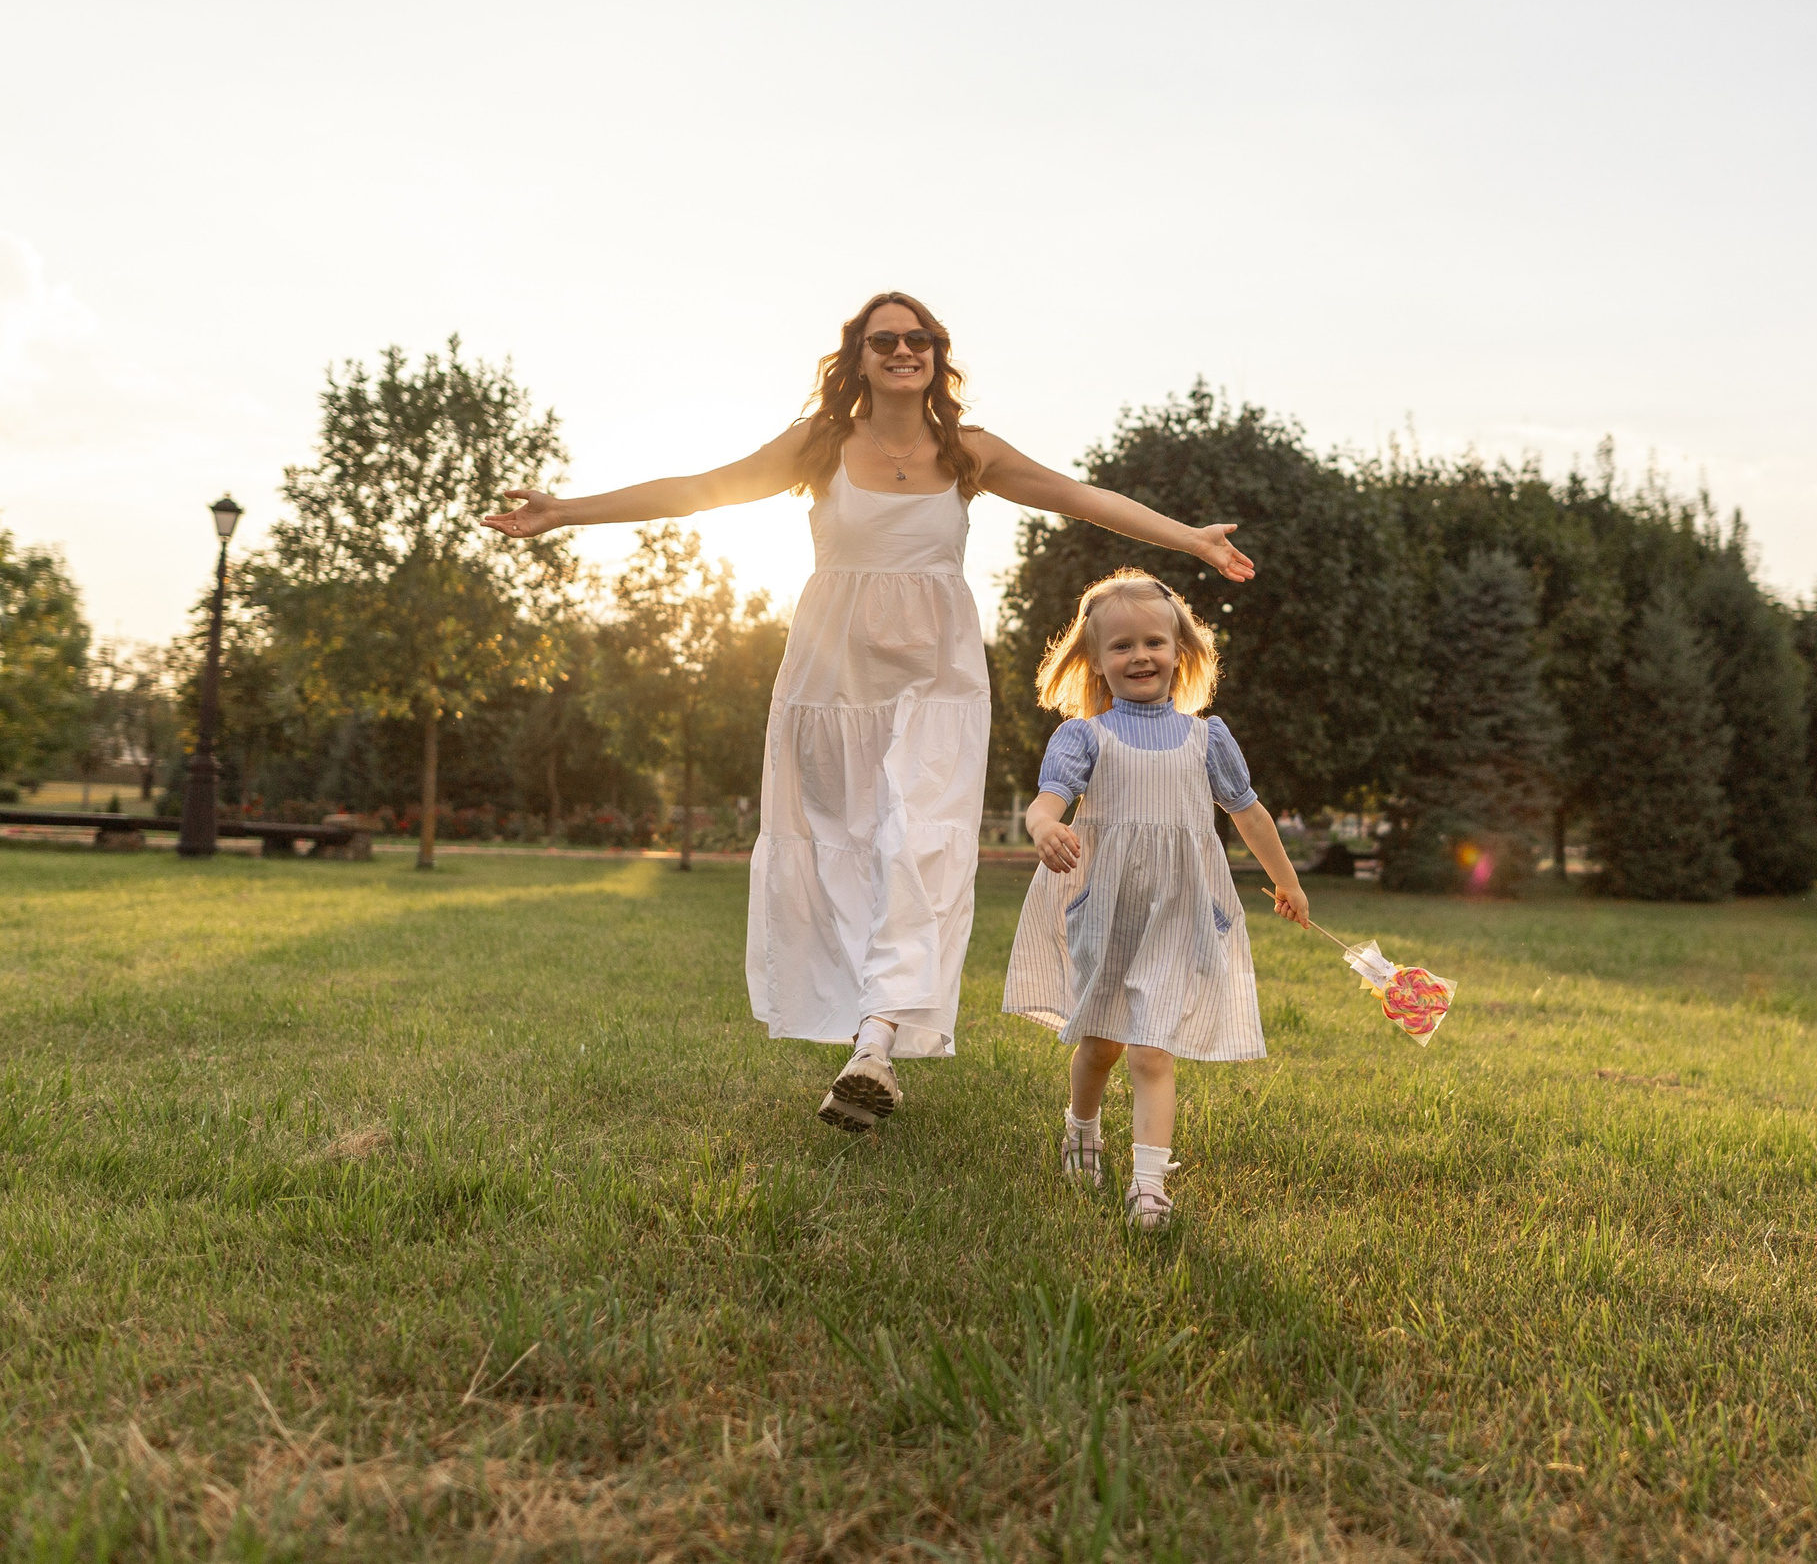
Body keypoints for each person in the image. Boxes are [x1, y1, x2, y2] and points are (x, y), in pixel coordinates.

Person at [481, 294, 1256, 1131]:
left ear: (936, 352)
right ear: (858, 354)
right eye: (884, 339)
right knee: (845, 853)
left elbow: (1080, 497)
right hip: (832, 680)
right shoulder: (822, 447)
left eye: (917, 337)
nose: (902, 349)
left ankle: (876, 1043)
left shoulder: (969, 452)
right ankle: (868, 1029)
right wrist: (565, 509)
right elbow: (699, 490)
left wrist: (1191, 539)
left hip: (938, 680)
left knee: (922, 846)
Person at [1000, 569, 1310, 1229]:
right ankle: (1082, 1128)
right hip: (1107, 910)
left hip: (1179, 910)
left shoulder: (1208, 737)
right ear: (1095, 660)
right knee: (1104, 1043)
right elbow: (1048, 800)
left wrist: (1286, 879)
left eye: (1153, 642)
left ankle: (1148, 1185)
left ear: (1180, 651)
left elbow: (1249, 814)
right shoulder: (1084, 736)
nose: (1139, 656)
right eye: (1120, 646)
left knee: (1151, 1049)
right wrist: (1045, 826)